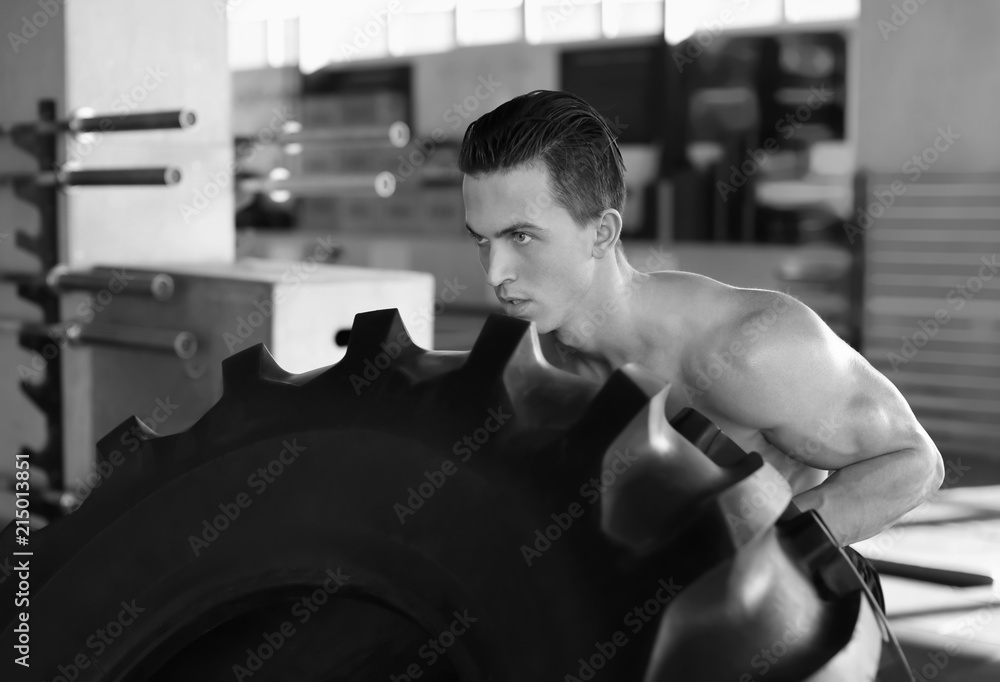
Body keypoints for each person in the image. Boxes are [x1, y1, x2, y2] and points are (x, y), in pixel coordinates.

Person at [457, 89, 944, 613]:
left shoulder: (748, 346)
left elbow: (915, 463)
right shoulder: (534, 369)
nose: (495, 273)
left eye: (521, 237)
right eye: (481, 240)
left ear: (602, 232)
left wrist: (758, 545)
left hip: (783, 616)